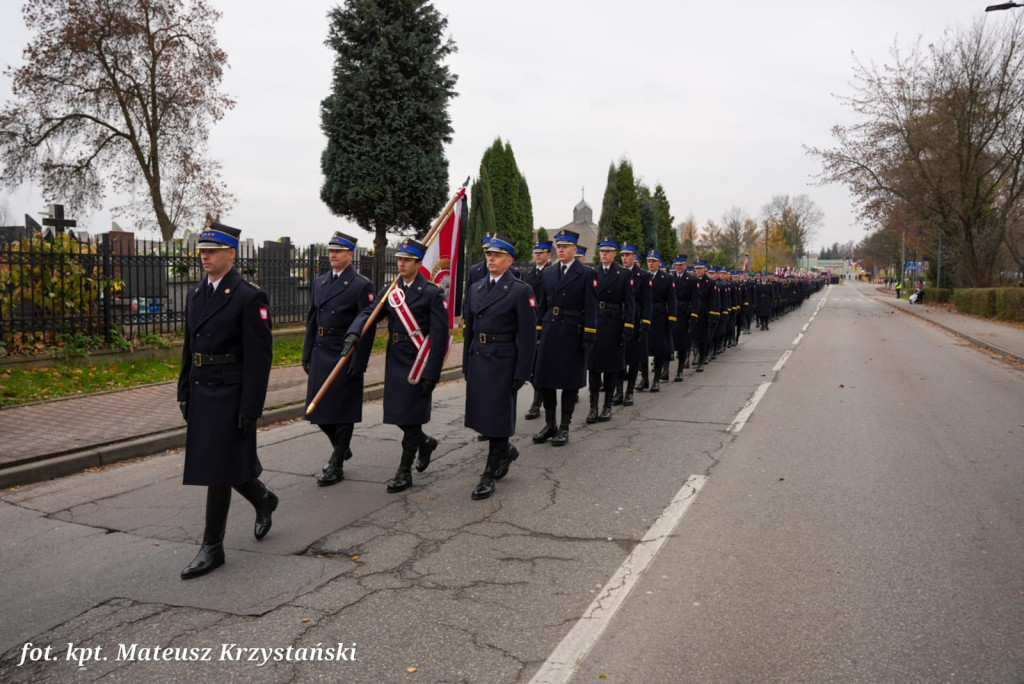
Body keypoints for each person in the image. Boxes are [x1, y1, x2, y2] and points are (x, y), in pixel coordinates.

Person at [177, 221, 277, 580]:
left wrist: (251, 407)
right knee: (220, 462)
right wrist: (184, 391)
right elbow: (190, 347)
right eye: (202, 250)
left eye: (213, 251)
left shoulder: (249, 296)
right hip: (202, 389)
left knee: (217, 469)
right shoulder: (195, 294)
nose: (205, 256)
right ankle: (263, 498)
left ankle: (212, 547)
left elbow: (259, 357)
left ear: (231, 254)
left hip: (231, 392)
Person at [348, 237, 447, 493]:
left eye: (406, 260)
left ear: (418, 262)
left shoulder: (432, 292)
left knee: (412, 416)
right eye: (399, 259)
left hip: (418, 360)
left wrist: (432, 373)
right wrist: (355, 332)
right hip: (396, 358)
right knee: (397, 412)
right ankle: (425, 443)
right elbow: (370, 312)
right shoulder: (392, 290)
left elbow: (439, 336)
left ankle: (404, 471)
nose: (401, 264)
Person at [462, 233, 537, 499]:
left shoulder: (520, 290)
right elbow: (469, 328)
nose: (490, 258)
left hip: (504, 359)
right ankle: (505, 451)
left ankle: (489, 473)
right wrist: (466, 362)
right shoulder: (476, 287)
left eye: (496, 255)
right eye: (488, 254)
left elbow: (528, 337)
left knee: (497, 417)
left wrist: (523, 371)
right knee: (484, 415)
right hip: (479, 356)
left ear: (509, 259)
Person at [302, 231, 376, 487]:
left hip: (345, 352)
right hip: (321, 350)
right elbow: (312, 319)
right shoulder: (319, 282)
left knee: (342, 411)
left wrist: (360, 361)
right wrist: (306, 351)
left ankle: (337, 464)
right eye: (331, 251)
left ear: (350, 255)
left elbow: (368, 322)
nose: (332, 255)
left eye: (338, 251)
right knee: (317, 409)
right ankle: (341, 448)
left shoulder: (360, 285)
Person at [532, 229, 598, 447]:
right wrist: (538, 331)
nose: (560, 250)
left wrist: (589, 335)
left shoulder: (586, 273)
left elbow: (591, 308)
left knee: (569, 383)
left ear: (575, 249)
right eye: (558, 246)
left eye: (565, 247)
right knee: (545, 380)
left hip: (572, 331)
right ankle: (550, 424)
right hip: (551, 329)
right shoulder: (549, 273)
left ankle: (564, 427)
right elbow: (542, 305)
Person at [586, 238, 635, 423]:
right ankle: (593, 407)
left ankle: (606, 407)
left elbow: (630, 304)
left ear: (615, 254)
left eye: (608, 251)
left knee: (611, 369)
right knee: (593, 369)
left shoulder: (622, 274)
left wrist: (628, 326)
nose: (604, 254)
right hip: (596, 323)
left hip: (614, 323)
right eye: (602, 251)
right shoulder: (592, 273)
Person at [617, 243, 651, 406]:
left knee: (633, 358)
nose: (624, 258)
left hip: (636, 319)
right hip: (618, 319)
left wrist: (645, 323)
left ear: (635, 257)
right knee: (617, 358)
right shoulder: (617, 273)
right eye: (622, 255)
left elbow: (647, 302)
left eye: (628, 255)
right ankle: (618, 391)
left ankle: (629, 392)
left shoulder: (643, 276)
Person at [521, 240, 552, 421]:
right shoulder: (527, 273)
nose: (538, 255)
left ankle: (537, 402)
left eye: (542, 252)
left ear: (549, 254)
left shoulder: (552, 273)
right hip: (528, 321)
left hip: (544, 322)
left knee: (540, 364)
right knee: (530, 364)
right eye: (536, 252)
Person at [645, 251, 676, 392]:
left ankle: (656, 379)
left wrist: (671, 318)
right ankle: (644, 379)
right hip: (644, 316)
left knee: (658, 350)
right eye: (649, 261)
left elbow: (672, 301)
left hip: (660, 316)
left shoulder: (667, 278)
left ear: (659, 263)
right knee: (642, 349)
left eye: (653, 261)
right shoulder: (643, 276)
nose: (650, 264)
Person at [670, 255, 696, 381]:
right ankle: (664, 370)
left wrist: (693, 315)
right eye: (676, 265)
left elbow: (695, 300)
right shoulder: (670, 279)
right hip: (670, 313)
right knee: (668, 342)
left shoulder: (691, 280)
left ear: (685, 265)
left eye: (680, 265)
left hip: (684, 313)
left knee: (681, 343)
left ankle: (680, 370)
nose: (678, 267)